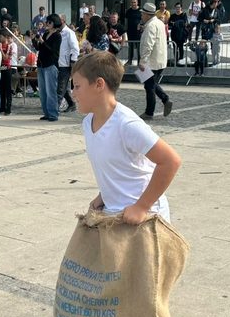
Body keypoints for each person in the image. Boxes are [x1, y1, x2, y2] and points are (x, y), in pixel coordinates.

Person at [71, 51, 182, 224]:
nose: (73, 93)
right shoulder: (88, 123)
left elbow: (170, 161)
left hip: (145, 220)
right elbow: (117, 168)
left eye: (77, 86)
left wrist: (142, 207)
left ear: (99, 84)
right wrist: (103, 196)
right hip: (114, 215)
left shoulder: (127, 124)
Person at [138, 2, 172, 120]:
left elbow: (148, 45)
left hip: (152, 62)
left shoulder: (151, 26)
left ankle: (149, 112)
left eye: (143, 14)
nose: (141, 16)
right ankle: (165, 99)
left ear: (147, 14)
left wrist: (143, 61)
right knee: (151, 85)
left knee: (149, 87)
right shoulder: (159, 23)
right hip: (159, 60)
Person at [33, 14, 63, 121]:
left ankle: (53, 114)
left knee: (51, 91)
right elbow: (39, 48)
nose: (47, 24)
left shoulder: (57, 36)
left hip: (51, 65)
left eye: (49, 22)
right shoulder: (45, 34)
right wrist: (35, 40)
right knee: (43, 91)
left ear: (54, 23)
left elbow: (52, 50)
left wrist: (42, 41)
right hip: (41, 64)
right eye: (47, 22)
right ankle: (46, 113)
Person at [57, 15, 80, 114]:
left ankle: (54, 108)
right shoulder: (57, 32)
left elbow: (75, 49)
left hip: (66, 64)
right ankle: (72, 104)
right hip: (58, 62)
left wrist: (73, 62)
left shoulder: (69, 33)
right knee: (65, 88)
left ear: (62, 20)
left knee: (60, 88)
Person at [124, 0, 143, 65]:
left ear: (137, 2)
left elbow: (143, 20)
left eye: (134, 2)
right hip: (130, 32)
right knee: (130, 47)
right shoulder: (128, 11)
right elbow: (126, 21)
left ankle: (139, 62)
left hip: (138, 33)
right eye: (132, 2)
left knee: (138, 48)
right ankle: (129, 61)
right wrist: (125, 29)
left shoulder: (140, 11)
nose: (133, 4)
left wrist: (141, 25)